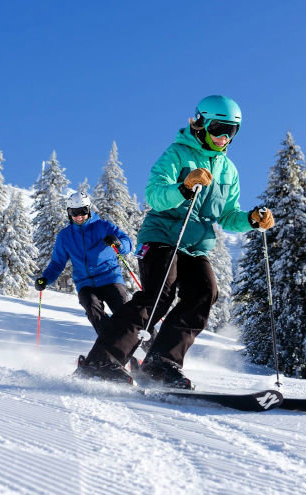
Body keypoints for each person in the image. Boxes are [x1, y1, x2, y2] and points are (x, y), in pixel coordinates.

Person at [76, 95, 275, 388]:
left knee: (205, 293)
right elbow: (155, 195)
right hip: (162, 236)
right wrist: (184, 186)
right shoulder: (177, 154)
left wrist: (252, 220)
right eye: (218, 128)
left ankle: (161, 363)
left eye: (230, 131)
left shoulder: (229, 171)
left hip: (196, 246)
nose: (223, 137)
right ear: (201, 123)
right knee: (159, 295)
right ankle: (102, 360)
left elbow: (227, 215)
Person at [35, 191, 134, 337]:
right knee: (92, 308)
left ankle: (153, 346)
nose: (79, 216)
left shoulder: (103, 226)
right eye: (74, 212)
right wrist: (45, 279)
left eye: (83, 211)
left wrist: (118, 243)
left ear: (89, 209)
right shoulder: (65, 236)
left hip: (110, 278)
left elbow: (128, 243)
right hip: (85, 284)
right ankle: (111, 346)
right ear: (69, 213)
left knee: (126, 315)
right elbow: (57, 262)